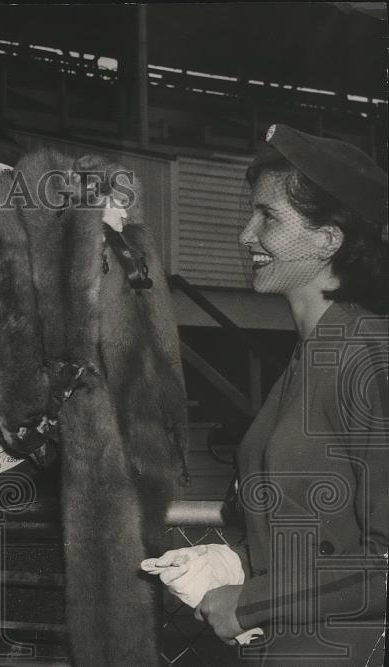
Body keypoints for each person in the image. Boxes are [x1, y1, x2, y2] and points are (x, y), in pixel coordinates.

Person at [193, 124, 387, 665]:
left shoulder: (368, 352)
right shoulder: (310, 356)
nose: (245, 235)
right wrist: (231, 562)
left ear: (328, 240)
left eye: (268, 217)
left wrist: (252, 600)